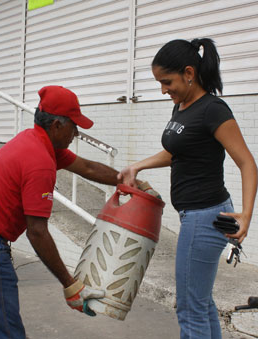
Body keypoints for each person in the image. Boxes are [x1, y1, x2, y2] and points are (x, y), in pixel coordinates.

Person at [118, 38, 257, 339]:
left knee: (189, 309)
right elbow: (175, 152)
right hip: (194, 216)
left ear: (189, 73)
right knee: (201, 303)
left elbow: (247, 163)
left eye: (167, 82)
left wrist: (246, 215)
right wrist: (137, 166)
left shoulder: (213, 110)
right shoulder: (181, 106)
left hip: (204, 216)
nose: (163, 90)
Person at [0, 85, 120, 338]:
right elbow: (37, 232)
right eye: (74, 126)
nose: (77, 133)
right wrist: (70, 285)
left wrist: (125, 180)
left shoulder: (32, 140)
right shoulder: (40, 162)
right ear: (57, 125)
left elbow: (88, 168)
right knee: (3, 331)